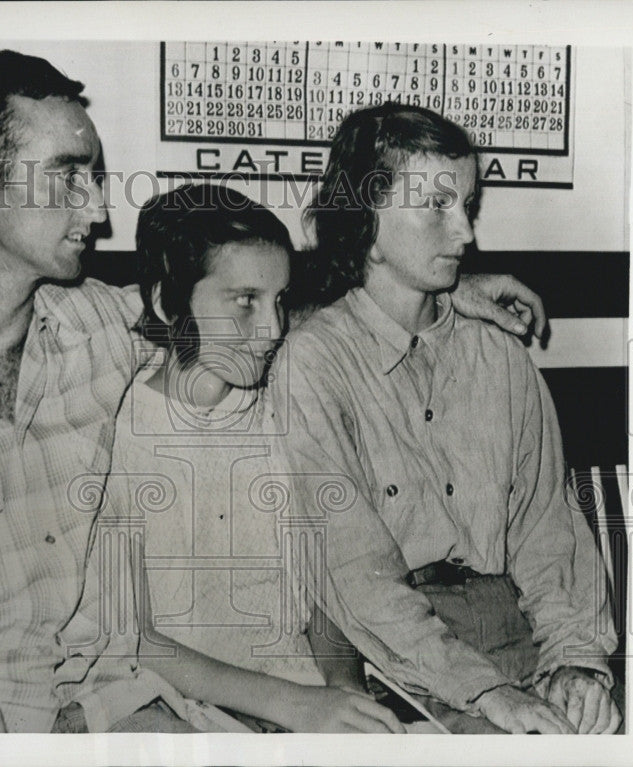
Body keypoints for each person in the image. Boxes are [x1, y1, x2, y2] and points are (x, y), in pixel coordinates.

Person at [0, 49, 549, 734]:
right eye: (68, 179)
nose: (99, 210)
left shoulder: (93, 325)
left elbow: (241, 312)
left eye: (96, 179)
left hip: (110, 717)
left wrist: (437, 290)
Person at [274, 103, 621, 734]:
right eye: (435, 205)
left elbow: (548, 533)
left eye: (466, 204)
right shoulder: (315, 362)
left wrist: (576, 663)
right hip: (396, 658)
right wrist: (487, 693)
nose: (464, 232)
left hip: (520, 632)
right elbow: (357, 575)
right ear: (366, 218)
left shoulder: (499, 355)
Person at [90, 183, 404, 733]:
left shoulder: (286, 409)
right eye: (245, 302)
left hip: (307, 701)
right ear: (168, 302)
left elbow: (322, 595)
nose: (273, 329)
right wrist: (294, 706)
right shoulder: (116, 433)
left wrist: (346, 694)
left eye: (279, 300)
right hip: (190, 711)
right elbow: (137, 636)